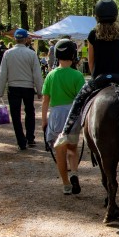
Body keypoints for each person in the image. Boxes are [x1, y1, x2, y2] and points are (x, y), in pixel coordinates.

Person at [53, 0, 119, 148]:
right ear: (115, 15)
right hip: (118, 76)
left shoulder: (93, 35)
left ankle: (65, 132)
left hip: (99, 78)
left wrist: (94, 76)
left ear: (97, 16)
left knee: (78, 100)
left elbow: (91, 61)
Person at [41, 39, 86, 195]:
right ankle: (74, 172)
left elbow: (45, 100)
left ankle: (66, 184)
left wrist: (44, 121)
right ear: (73, 55)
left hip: (56, 115)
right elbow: (82, 99)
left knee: (60, 151)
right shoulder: (78, 75)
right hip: (73, 115)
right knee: (72, 148)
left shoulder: (50, 76)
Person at [0, 28, 43, 150]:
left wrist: (0, 91)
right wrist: (40, 90)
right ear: (26, 39)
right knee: (30, 112)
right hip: (28, 88)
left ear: (15, 39)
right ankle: (30, 138)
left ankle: (21, 141)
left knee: (15, 115)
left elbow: (3, 73)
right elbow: (37, 74)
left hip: (13, 88)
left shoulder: (8, 53)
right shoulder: (31, 54)